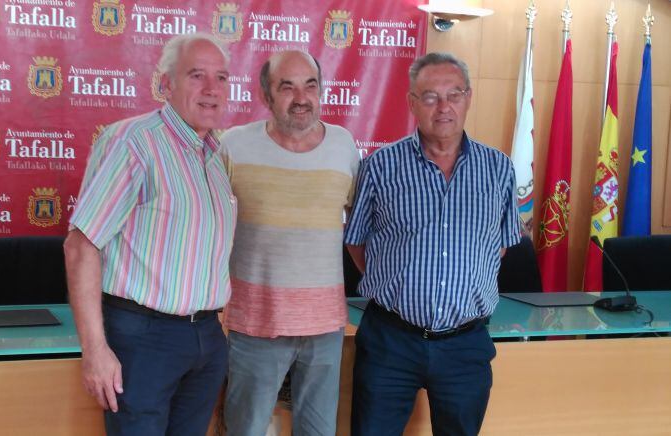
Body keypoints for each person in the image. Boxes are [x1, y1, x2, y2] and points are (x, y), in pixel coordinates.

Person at [63, 33, 236, 436]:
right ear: (165, 84)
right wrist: (95, 350)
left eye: (222, 77)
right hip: (144, 340)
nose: (212, 89)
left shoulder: (215, 155)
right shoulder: (135, 144)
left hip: (206, 336)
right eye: (197, 76)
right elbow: (81, 246)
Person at [344, 52, 522, 436]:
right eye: (429, 97)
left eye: (453, 94)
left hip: (465, 345)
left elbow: (501, 246)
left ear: (468, 98)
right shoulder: (381, 165)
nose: (443, 107)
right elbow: (356, 241)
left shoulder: (498, 168)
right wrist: (396, 283)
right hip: (390, 342)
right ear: (412, 103)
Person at [221, 50, 359, 436]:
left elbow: (362, 228)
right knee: (244, 429)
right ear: (266, 95)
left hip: (325, 328)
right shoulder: (233, 146)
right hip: (255, 324)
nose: (301, 97)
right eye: (287, 86)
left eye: (310, 85)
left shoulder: (344, 146)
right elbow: (204, 225)